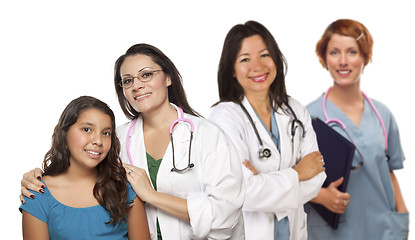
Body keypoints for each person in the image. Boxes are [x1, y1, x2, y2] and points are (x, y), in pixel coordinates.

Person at [21, 43, 245, 240]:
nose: (136, 85)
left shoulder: (209, 135)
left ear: (168, 78)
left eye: (146, 75)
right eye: (127, 81)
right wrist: (36, 177)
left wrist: (151, 196)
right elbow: (76, 171)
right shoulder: (113, 139)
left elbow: (225, 214)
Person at [208, 20, 326, 240]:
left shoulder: (295, 110)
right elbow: (241, 192)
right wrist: (298, 173)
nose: (257, 66)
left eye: (264, 55)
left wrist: (263, 183)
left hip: (293, 231)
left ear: (276, 59)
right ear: (232, 70)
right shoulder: (224, 117)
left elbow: (317, 177)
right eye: (245, 59)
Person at [305, 19, 409, 239]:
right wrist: (321, 195)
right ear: (324, 59)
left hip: (382, 229)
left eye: (352, 52)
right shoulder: (307, 118)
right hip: (332, 233)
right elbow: (289, 179)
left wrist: (402, 215)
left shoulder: (383, 115)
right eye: (334, 53)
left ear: (365, 57)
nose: (343, 61)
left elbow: (388, 171)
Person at [19, 96, 150, 239]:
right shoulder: (38, 193)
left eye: (106, 133)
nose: (98, 141)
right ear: (65, 133)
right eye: (87, 129)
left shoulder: (124, 187)